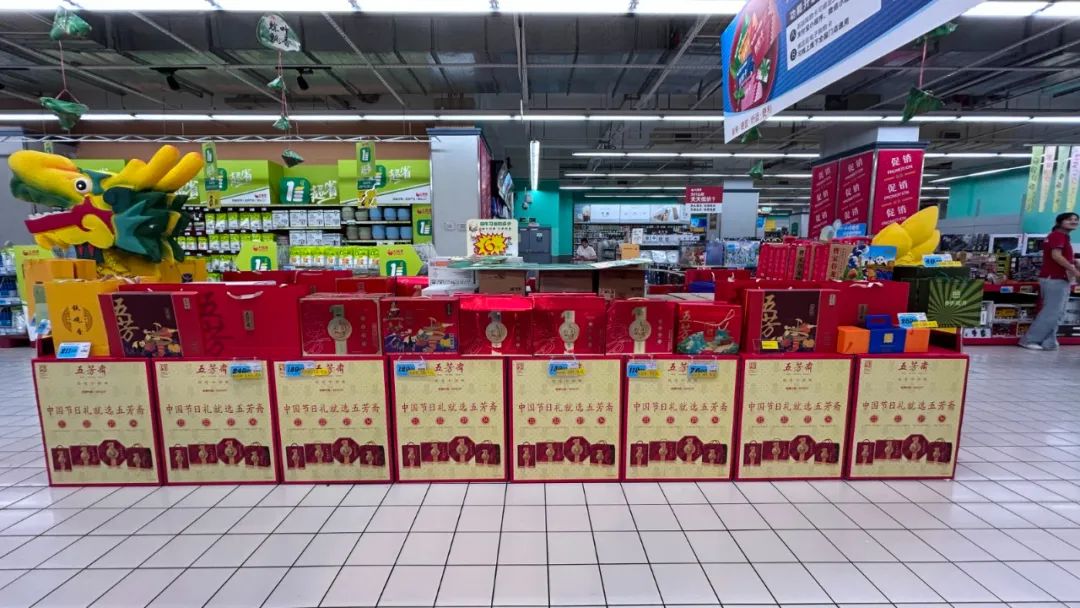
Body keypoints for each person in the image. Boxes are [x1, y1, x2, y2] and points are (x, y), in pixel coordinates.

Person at [1020, 212, 1080, 351]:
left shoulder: (1062, 237)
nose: (1074, 221)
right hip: (1054, 278)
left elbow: (1059, 256)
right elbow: (1056, 256)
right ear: (1059, 222)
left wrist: (1074, 262)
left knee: (1058, 312)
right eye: (1069, 219)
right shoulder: (1058, 236)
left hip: (1059, 278)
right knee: (1051, 312)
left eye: (1076, 219)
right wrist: (1074, 270)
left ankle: (1049, 342)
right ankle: (1029, 340)